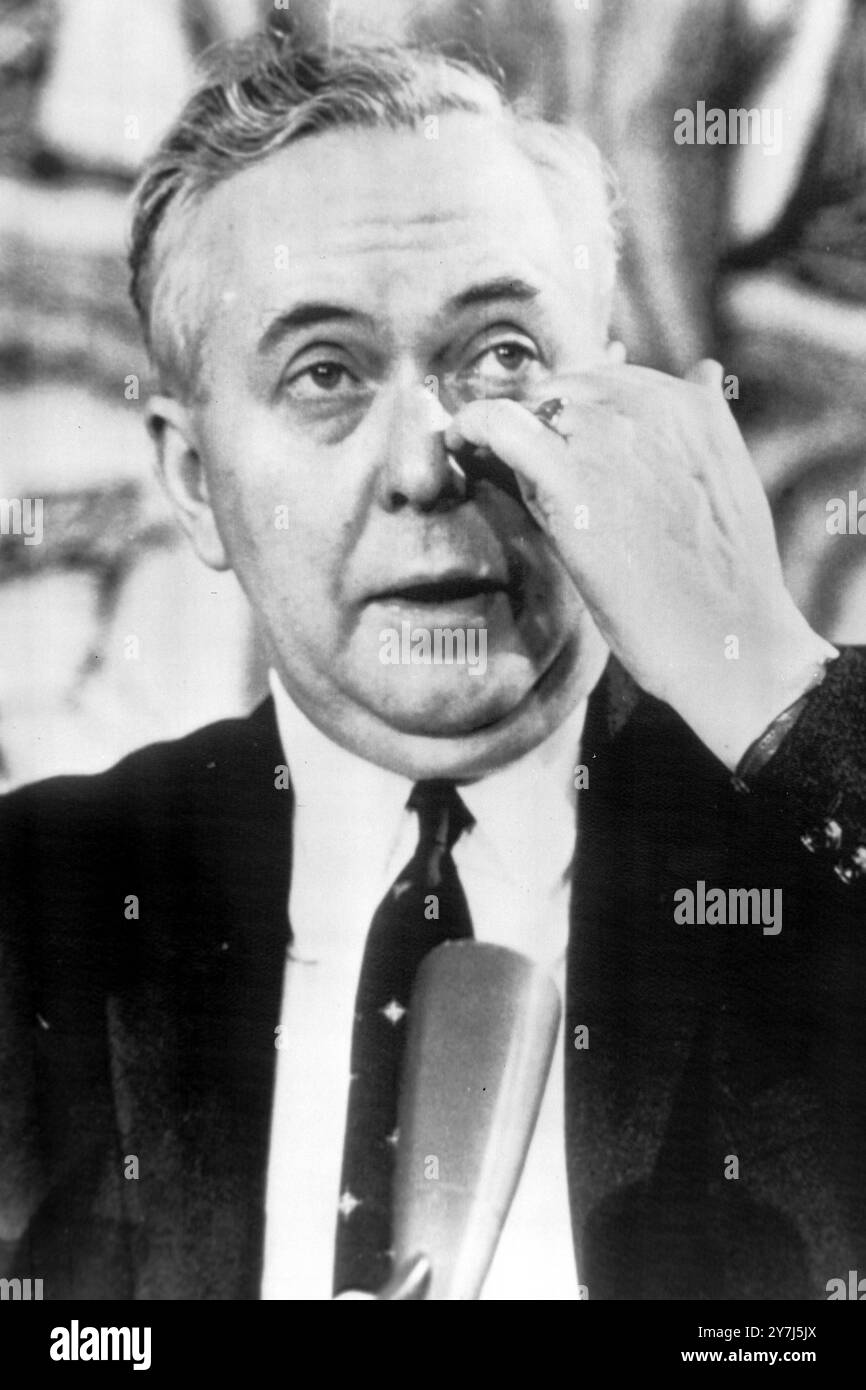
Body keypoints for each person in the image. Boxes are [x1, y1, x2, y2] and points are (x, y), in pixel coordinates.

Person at [1, 28, 864, 1302]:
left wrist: (770, 679)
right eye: (325, 373)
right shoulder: (37, 910)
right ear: (192, 480)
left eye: (501, 355)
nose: (423, 464)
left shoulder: (809, 846)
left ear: (611, 402)